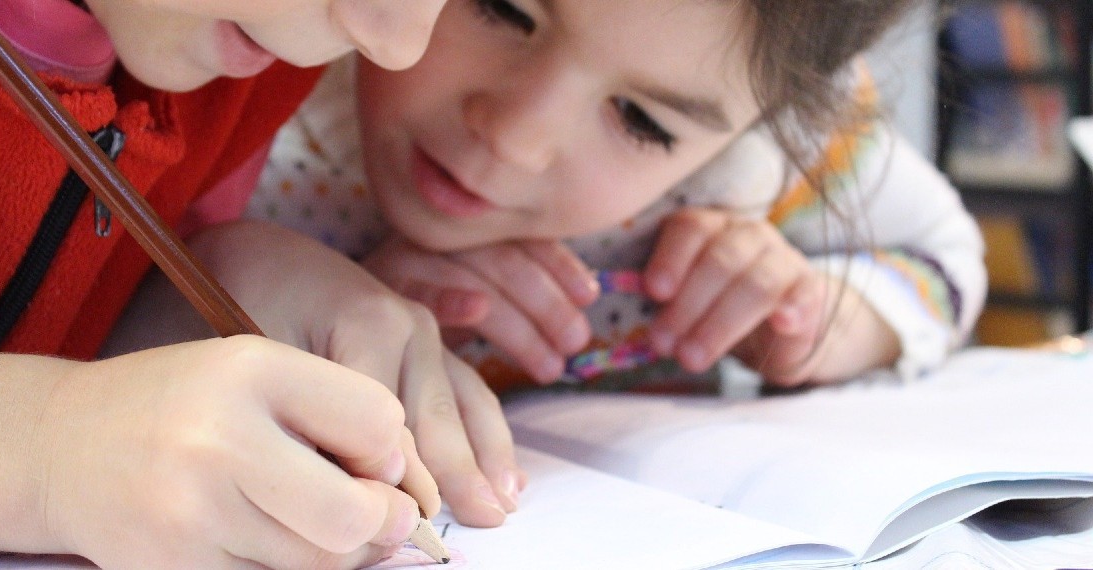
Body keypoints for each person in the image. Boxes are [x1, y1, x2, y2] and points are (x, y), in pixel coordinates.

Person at [0, 0, 519, 568]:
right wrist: (37, 451)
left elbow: (58, 342)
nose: (394, 43)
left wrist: (208, 283)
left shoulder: (241, 65)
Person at [240, 0, 987, 391]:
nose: (514, 138)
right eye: (502, 7)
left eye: (640, 121)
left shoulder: (774, 147)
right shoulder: (254, 66)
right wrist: (315, 307)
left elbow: (946, 256)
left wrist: (829, 317)